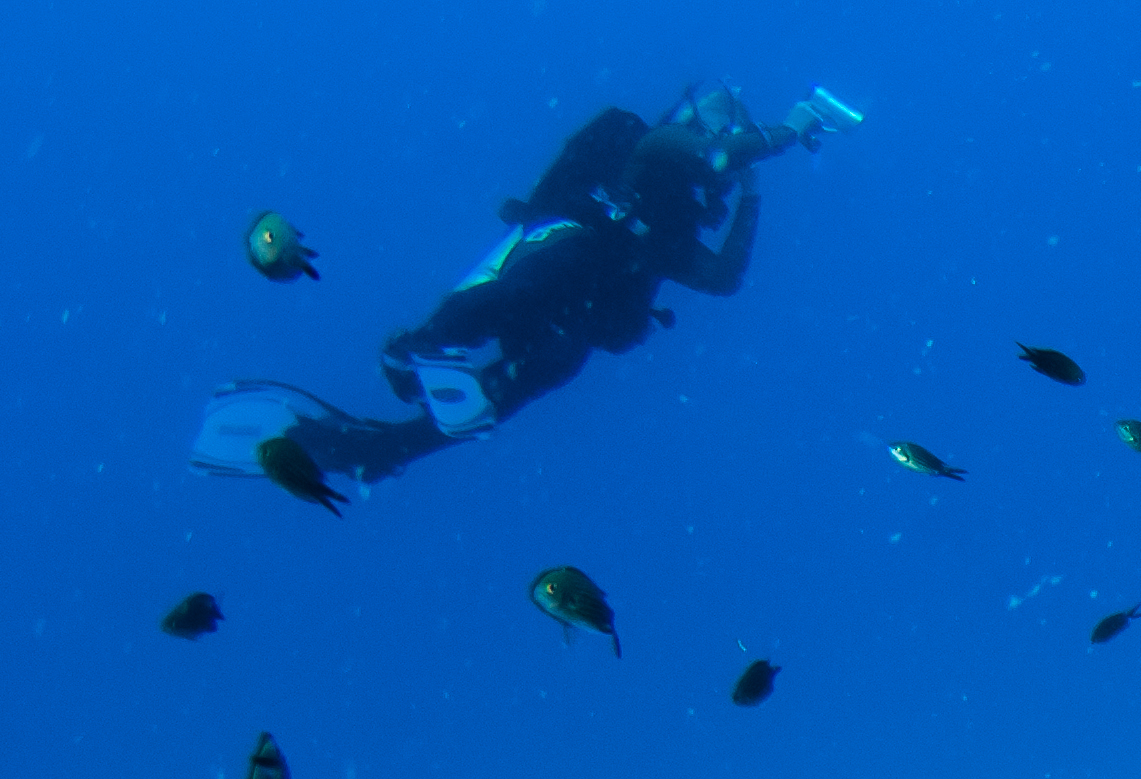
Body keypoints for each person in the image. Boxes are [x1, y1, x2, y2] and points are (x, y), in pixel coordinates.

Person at [192, 83, 859, 497]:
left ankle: (380, 450)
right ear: (689, 111)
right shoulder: (647, 141)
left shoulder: (672, 229)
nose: (723, 128)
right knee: (546, 268)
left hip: (574, 318)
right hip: (545, 257)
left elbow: (723, 277)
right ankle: (413, 350)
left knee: (552, 368)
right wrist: (786, 132)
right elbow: (695, 152)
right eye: (717, 115)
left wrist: (753, 189)